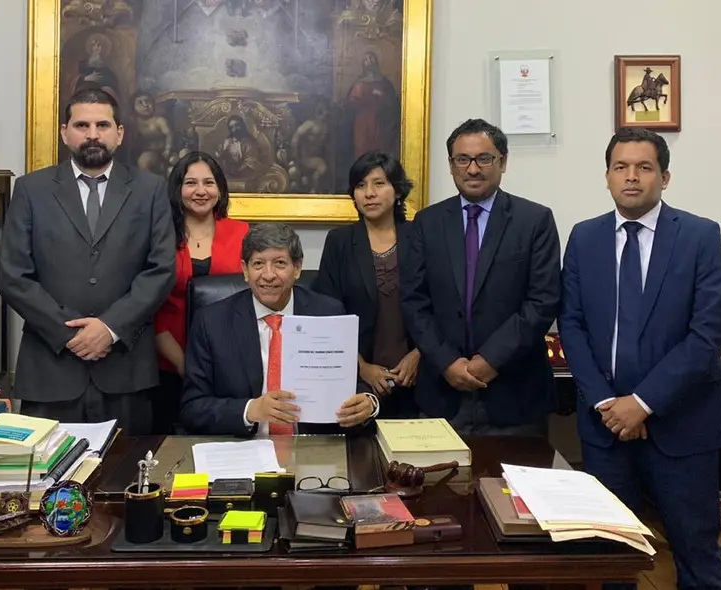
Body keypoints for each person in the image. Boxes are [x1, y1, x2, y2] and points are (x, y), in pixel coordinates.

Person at [557, 127, 721, 590]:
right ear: (606, 177)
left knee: (696, 555)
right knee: (613, 558)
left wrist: (641, 402)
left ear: (665, 177)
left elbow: (706, 336)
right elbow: (571, 326)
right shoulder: (584, 237)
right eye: (621, 167)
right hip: (605, 430)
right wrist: (607, 403)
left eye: (644, 167)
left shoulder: (700, 236)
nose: (632, 177)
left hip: (683, 425)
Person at [0, 88, 176, 435]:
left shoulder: (149, 190)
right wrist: (73, 334)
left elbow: (161, 270)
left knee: (124, 480)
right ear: (65, 132)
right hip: (51, 368)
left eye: (102, 125)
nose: (92, 134)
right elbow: (13, 276)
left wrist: (108, 329)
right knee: (46, 485)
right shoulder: (31, 190)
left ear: (119, 133)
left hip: (125, 369)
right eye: (81, 125)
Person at [400, 118, 561, 437]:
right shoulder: (426, 222)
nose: (472, 169)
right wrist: (447, 362)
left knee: (514, 486)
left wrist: (489, 361)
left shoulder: (534, 221)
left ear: (503, 162)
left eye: (484, 159)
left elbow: (543, 301)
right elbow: (414, 301)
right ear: (451, 165)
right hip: (442, 395)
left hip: (514, 394)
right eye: (463, 159)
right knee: (439, 486)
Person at [181, 223, 379, 436]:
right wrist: (249, 410)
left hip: (313, 447)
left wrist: (369, 403)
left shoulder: (328, 312)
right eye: (258, 264)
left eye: (280, 263)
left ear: (297, 268)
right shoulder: (211, 322)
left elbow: (353, 384)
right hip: (244, 447)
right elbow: (192, 408)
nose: (268, 275)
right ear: (245, 270)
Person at [314, 150, 419, 418]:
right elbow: (325, 312)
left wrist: (419, 355)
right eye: (360, 186)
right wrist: (360, 367)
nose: (368, 193)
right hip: (356, 382)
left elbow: (441, 305)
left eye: (379, 183)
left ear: (397, 191)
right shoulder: (339, 242)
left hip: (418, 378)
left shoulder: (420, 237)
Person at [151, 151, 249, 434]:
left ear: (220, 189)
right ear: (177, 189)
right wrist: (184, 364)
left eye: (209, 182)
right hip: (168, 359)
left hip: (228, 363)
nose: (201, 191)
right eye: (191, 182)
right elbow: (151, 305)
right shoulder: (160, 235)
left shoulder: (241, 233)